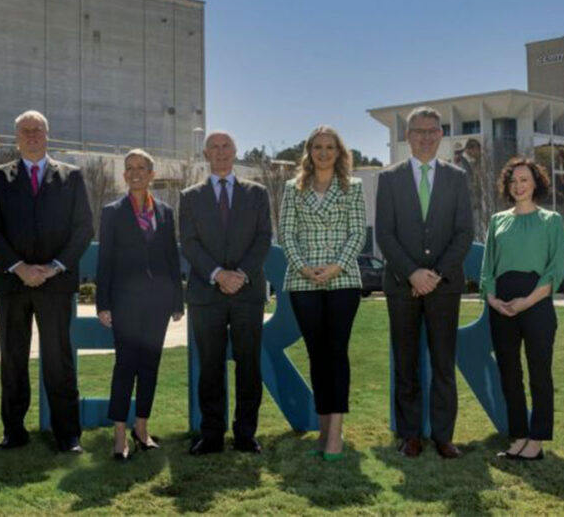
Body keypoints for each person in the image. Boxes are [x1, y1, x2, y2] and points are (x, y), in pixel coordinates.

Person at [0, 110, 94, 454]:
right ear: (16, 137)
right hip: (13, 284)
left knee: (59, 360)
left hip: (56, 284)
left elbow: (83, 229)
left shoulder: (71, 177)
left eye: (37, 130)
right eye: (25, 130)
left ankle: (68, 435)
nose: (31, 135)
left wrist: (54, 267)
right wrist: (19, 267)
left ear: (48, 135)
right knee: (13, 358)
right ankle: (14, 432)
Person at [375, 106, 474, 459]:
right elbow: (385, 235)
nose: (426, 137)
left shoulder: (457, 177)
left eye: (433, 131)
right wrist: (413, 273)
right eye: (419, 131)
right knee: (406, 364)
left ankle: (444, 436)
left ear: (442, 135)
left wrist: (435, 276)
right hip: (402, 286)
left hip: (444, 287)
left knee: (444, 364)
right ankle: (410, 435)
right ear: (408, 136)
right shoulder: (389, 179)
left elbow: (465, 232)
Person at [180, 131, 272, 455]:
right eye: (214, 147)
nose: (220, 152)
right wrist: (218, 275)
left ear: (235, 152)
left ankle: (246, 435)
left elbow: (263, 238)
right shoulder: (189, 196)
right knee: (210, 366)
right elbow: (188, 242)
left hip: (247, 294)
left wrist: (240, 275)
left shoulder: (257, 193)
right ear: (206, 154)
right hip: (207, 295)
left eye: (226, 147)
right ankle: (212, 435)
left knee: (249, 366)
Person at [278, 126, 366, 461]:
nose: (324, 152)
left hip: (342, 280)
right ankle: (323, 426)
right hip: (303, 282)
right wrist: (303, 268)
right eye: (318, 147)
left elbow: (357, 232)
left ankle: (336, 433)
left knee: (336, 353)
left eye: (330, 147)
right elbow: (286, 232)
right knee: (317, 355)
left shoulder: (353, 187)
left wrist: (336, 267)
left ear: (339, 152)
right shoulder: (292, 188)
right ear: (309, 151)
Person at [96, 149, 184, 461]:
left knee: (150, 365)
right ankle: (119, 434)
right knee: (125, 366)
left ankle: (142, 429)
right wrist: (102, 303)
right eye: (129, 168)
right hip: (124, 301)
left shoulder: (164, 211)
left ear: (151, 174)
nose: (135, 173)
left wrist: (177, 299)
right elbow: (104, 259)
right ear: (124, 175)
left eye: (141, 168)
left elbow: (172, 258)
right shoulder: (112, 212)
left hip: (159, 302)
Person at [480, 157, 564, 461]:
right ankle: (517, 436)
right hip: (501, 306)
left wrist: (526, 302)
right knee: (509, 373)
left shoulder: (551, 220)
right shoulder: (497, 221)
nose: (518, 186)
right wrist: (492, 299)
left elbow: (555, 270)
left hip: (537, 304)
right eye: (513, 181)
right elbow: (487, 267)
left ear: (536, 183)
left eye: (524, 180)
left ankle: (537, 440)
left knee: (539, 372)